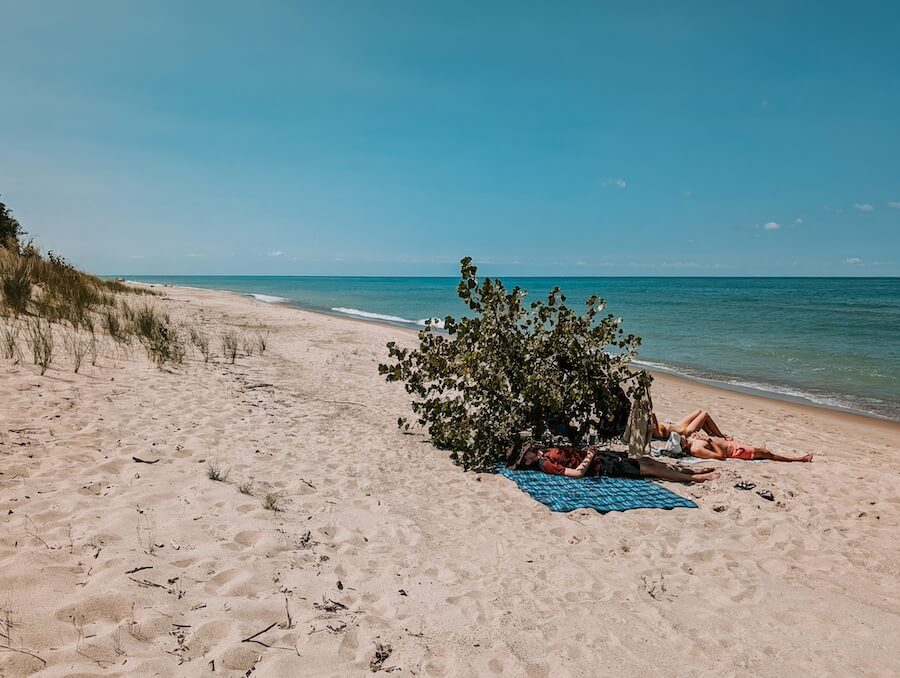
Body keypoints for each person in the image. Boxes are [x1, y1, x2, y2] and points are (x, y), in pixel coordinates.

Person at [506, 441, 719, 483]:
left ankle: (689, 471)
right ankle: (698, 477)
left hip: (601, 457)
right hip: (602, 467)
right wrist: (589, 456)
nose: (528, 451)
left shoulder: (543, 451)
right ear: (526, 462)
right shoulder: (545, 464)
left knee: (646, 459)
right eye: (525, 454)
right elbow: (577, 474)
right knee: (650, 469)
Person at [683, 431, 814, 462]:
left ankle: (760, 450)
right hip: (736, 451)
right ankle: (799, 459)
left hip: (733, 445)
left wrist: (698, 436)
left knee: (762, 451)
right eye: (679, 439)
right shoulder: (695, 449)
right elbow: (720, 456)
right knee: (768, 454)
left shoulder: (691, 439)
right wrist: (710, 440)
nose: (682, 437)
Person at [652, 409, 729, 439]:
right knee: (705, 415)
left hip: (678, 425)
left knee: (698, 412)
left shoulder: (649, 428)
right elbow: (653, 415)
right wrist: (652, 417)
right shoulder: (657, 434)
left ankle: (711, 434)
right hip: (685, 431)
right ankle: (720, 436)